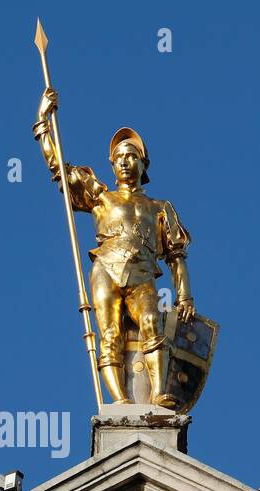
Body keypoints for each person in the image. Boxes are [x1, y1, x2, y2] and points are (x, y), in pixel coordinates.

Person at [33, 86, 195, 406]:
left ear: (143, 163)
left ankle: (159, 392)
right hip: (106, 268)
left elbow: (176, 255)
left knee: (152, 322)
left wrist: (184, 293)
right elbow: (59, 170)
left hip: (142, 271)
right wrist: (43, 122)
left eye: (130, 156)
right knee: (109, 334)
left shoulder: (159, 207)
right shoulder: (100, 197)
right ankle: (119, 399)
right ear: (111, 164)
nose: (124, 162)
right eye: (118, 157)